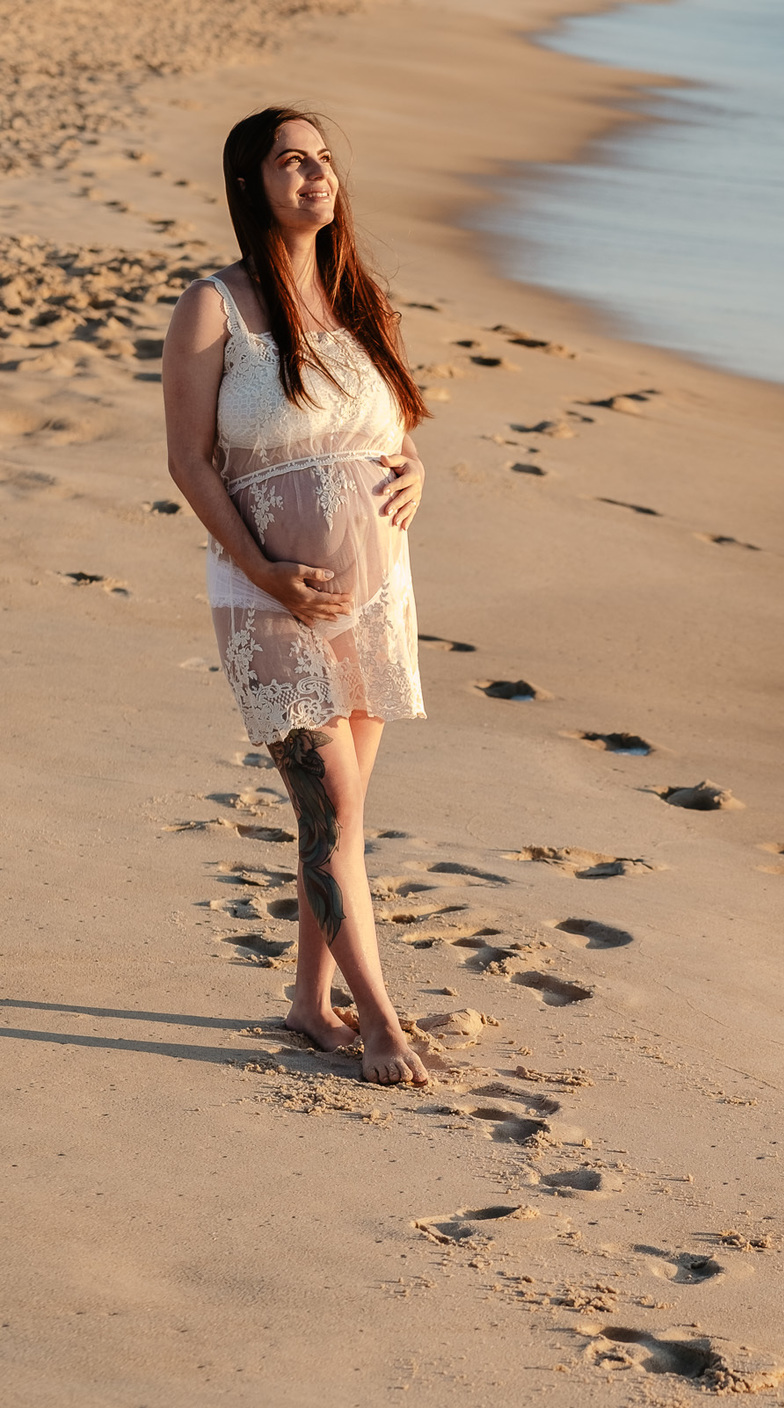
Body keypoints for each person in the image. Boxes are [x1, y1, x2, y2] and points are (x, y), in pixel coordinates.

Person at [163, 106, 431, 1085]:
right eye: (291, 162)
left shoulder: (361, 302)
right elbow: (190, 462)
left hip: (376, 596)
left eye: (323, 161)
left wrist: (417, 473)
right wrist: (264, 569)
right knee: (329, 809)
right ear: (252, 184)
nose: (316, 177)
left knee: (343, 821)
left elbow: (394, 430)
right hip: (269, 595)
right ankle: (381, 1023)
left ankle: (309, 1004)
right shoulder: (215, 307)